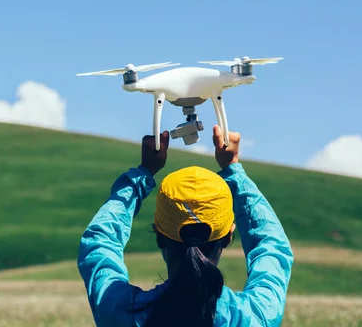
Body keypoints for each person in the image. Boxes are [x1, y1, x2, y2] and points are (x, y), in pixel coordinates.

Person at [77, 126, 294, 326]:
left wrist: (143, 173)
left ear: (159, 235)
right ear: (228, 236)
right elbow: (272, 246)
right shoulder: (256, 315)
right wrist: (234, 170)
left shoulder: (122, 312)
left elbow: (99, 245)